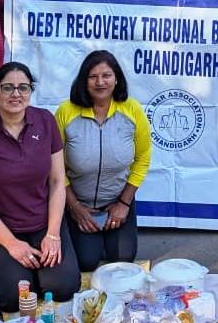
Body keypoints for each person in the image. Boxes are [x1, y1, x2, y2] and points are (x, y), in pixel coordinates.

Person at [0, 63, 79, 312]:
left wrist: (53, 234)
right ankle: (12, 272)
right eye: (8, 88)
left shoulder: (45, 121)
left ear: (30, 91)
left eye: (23, 87)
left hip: (42, 224)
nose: (16, 94)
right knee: (13, 299)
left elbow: (58, 182)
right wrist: (12, 244)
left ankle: (32, 271)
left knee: (63, 287)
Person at [56, 51, 152, 272]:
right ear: (84, 80)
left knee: (123, 258)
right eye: (93, 76)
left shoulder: (132, 109)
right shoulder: (66, 112)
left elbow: (143, 158)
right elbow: (55, 166)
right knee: (86, 261)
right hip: (78, 203)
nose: (100, 82)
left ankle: (108, 232)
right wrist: (74, 207)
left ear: (116, 78)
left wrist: (124, 204)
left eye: (106, 75)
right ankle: (85, 233)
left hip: (118, 202)